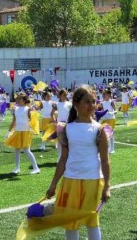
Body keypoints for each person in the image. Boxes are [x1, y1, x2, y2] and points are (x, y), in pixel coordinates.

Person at [46, 86, 111, 240]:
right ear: (76, 104)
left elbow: (105, 160)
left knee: (92, 222)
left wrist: (107, 186)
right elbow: (63, 160)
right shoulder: (66, 129)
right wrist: (53, 184)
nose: (92, 106)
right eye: (87, 102)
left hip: (93, 181)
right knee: (70, 223)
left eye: (93, 102)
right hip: (70, 180)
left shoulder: (100, 130)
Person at [6, 93, 40, 175]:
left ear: (25, 101)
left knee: (26, 150)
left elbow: (33, 120)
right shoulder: (15, 109)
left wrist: (33, 129)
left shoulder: (28, 109)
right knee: (16, 150)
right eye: (17, 98)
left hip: (25, 131)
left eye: (20, 99)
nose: (17, 100)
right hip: (17, 131)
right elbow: (14, 121)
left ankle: (36, 168)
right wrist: (9, 131)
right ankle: (17, 168)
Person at [99, 89, 116, 153]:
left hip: (111, 119)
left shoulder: (111, 102)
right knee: (105, 134)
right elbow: (101, 111)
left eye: (104, 94)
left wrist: (111, 112)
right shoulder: (102, 103)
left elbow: (116, 111)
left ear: (108, 95)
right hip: (104, 119)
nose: (103, 95)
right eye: (103, 94)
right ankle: (108, 148)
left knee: (111, 134)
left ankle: (112, 149)